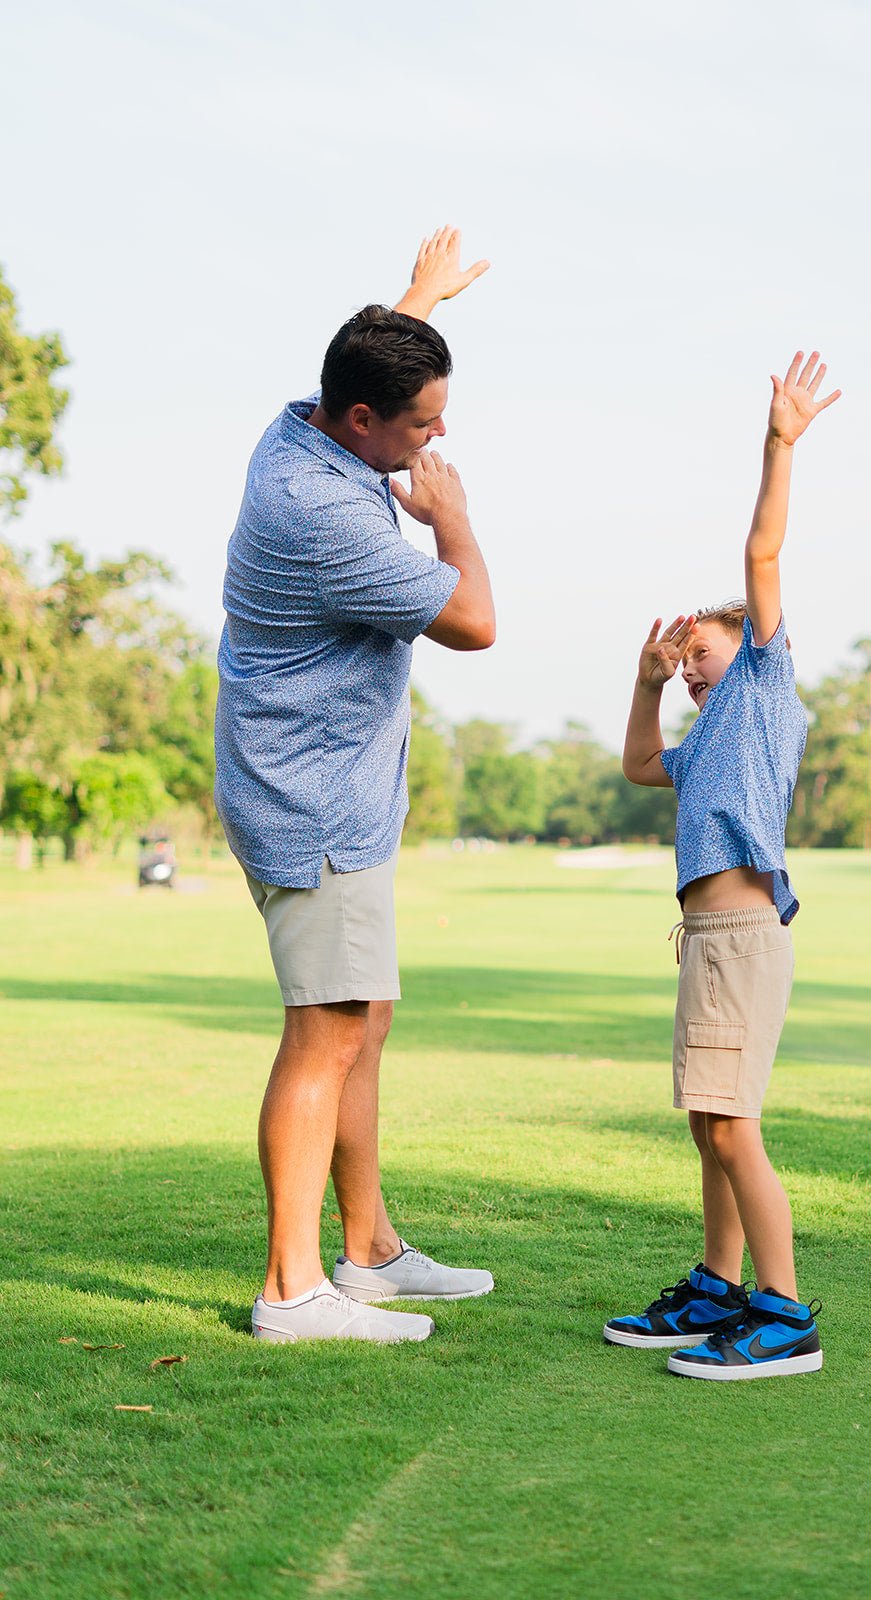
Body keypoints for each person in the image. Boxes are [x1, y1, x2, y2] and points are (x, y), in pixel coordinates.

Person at [215, 228, 497, 1345]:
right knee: (323, 1029)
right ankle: (291, 1291)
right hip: (310, 803)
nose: (436, 436)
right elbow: (473, 622)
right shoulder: (325, 512)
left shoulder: (310, 425)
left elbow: (365, 360)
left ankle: (370, 1249)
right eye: (423, 424)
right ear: (367, 423)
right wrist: (454, 521)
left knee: (362, 1017)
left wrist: (419, 299)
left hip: (336, 791)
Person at [603, 351, 841, 1379]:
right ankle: (716, 1286)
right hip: (703, 936)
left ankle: (782, 1311)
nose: (689, 662)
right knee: (708, 1123)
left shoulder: (761, 683)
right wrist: (646, 679)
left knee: (733, 1125)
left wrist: (777, 443)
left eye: (696, 650)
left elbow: (761, 552)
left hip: (743, 935)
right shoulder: (702, 735)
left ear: (746, 648)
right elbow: (636, 764)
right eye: (684, 655)